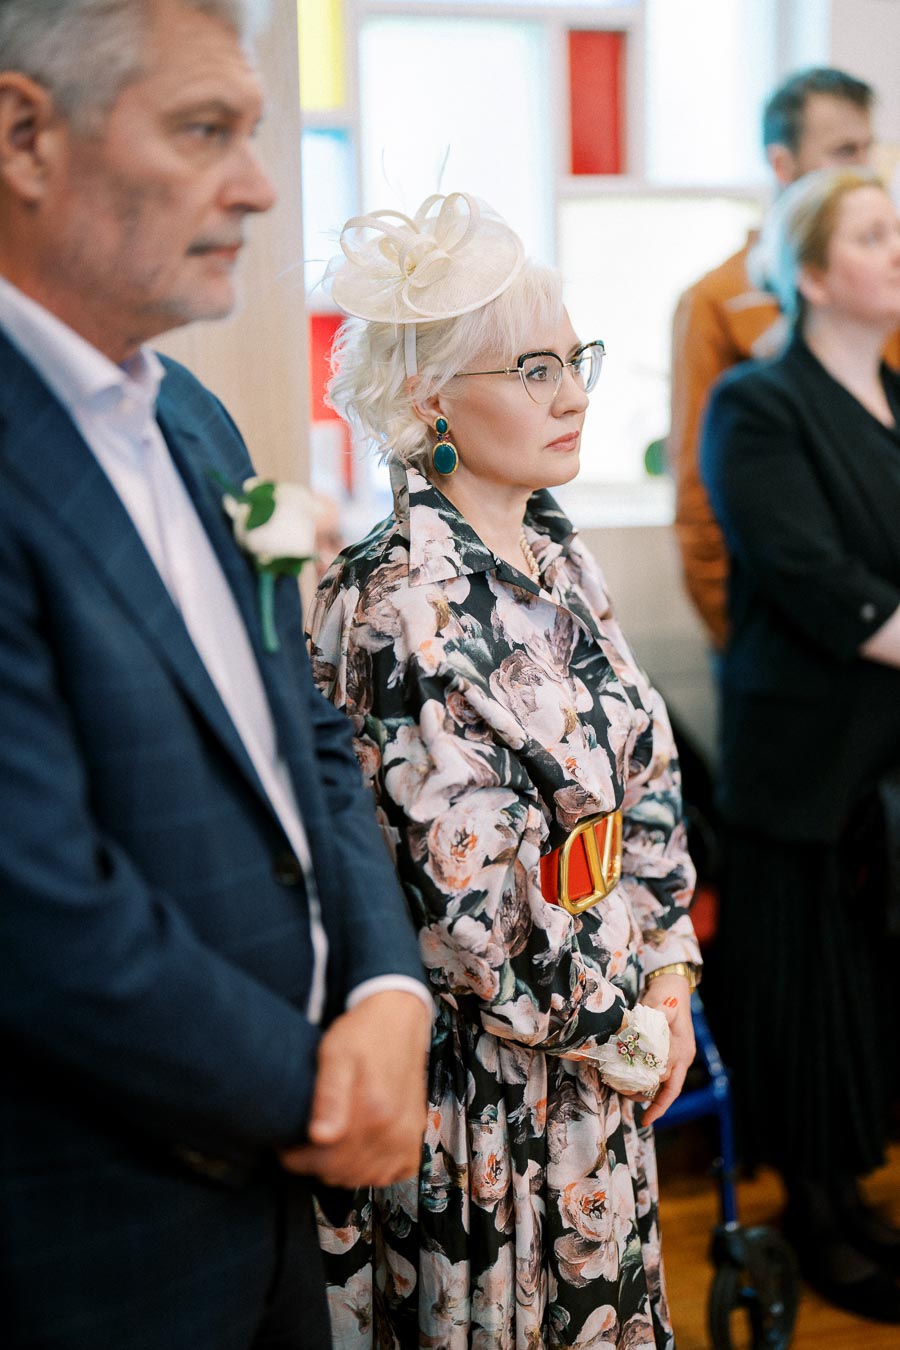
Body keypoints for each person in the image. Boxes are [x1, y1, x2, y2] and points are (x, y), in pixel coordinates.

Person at [0, 3, 432, 1347]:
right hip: (86, 1221)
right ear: (23, 134)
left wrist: (386, 989)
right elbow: (39, 910)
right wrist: (319, 1090)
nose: (255, 185)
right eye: (204, 131)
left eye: (253, 132)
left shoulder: (188, 417)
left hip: (263, 1209)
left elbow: (299, 730)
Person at [306, 192, 701, 1348]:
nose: (574, 394)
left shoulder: (554, 547)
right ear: (428, 399)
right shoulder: (401, 600)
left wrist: (670, 973)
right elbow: (473, 920)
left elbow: (647, 781)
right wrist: (628, 1025)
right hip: (496, 1097)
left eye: (573, 359)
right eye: (533, 368)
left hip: (600, 1060)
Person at [701, 167, 900, 1323]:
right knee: (807, 995)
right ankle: (816, 1220)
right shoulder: (759, 404)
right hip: (802, 764)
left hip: (881, 764)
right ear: (815, 273)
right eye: (874, 235)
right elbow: (820, 584)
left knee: (864, 994)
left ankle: (857, 1203)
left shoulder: (891, 393)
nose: (896, 251)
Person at [671, 66, 900, 649]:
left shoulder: (878, 299)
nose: (865, 169)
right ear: (783, 165)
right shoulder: (717, 301)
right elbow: (700, 500)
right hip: (794, 642)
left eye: (868, 149)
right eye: (843, 152)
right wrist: (744, 642)